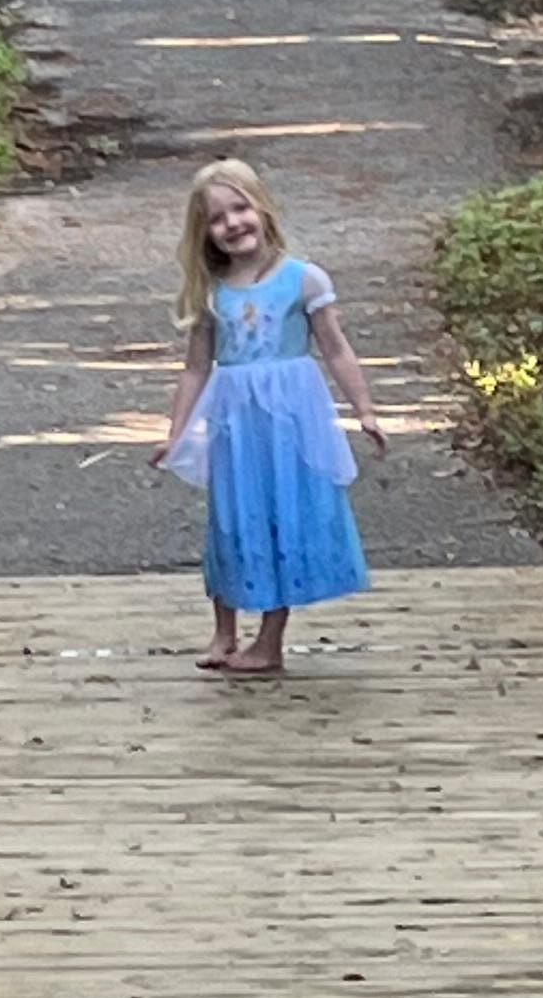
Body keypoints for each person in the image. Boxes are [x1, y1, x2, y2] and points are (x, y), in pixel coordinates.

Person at [152, 158, 386, 676]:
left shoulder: (303, 280)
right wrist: (176, 433)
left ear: (263, 208)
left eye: (241, 208)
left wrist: (364, 410)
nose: (233, 223)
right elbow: (195, 368)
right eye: (218, 218)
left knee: (279, 515)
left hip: (289, 425)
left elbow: (336, 348)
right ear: (204, 232)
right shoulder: (213, 293)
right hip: (236, 425)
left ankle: (269, 641)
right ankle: (223, 631)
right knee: (231, 518)